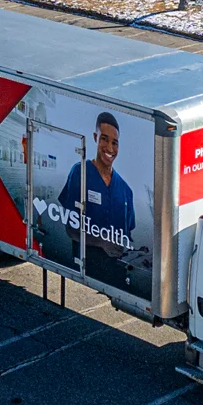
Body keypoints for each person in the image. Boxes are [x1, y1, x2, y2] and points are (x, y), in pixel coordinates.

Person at [57, 112, 138, 288]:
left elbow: (128, 235)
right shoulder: (80, 172)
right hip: (88, 270)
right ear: (95, 138)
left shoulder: (126, 191)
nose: (109, 148)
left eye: (114, 143)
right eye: (104, 139)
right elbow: (70, 227)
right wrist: (102, 243)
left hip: (118, 275)